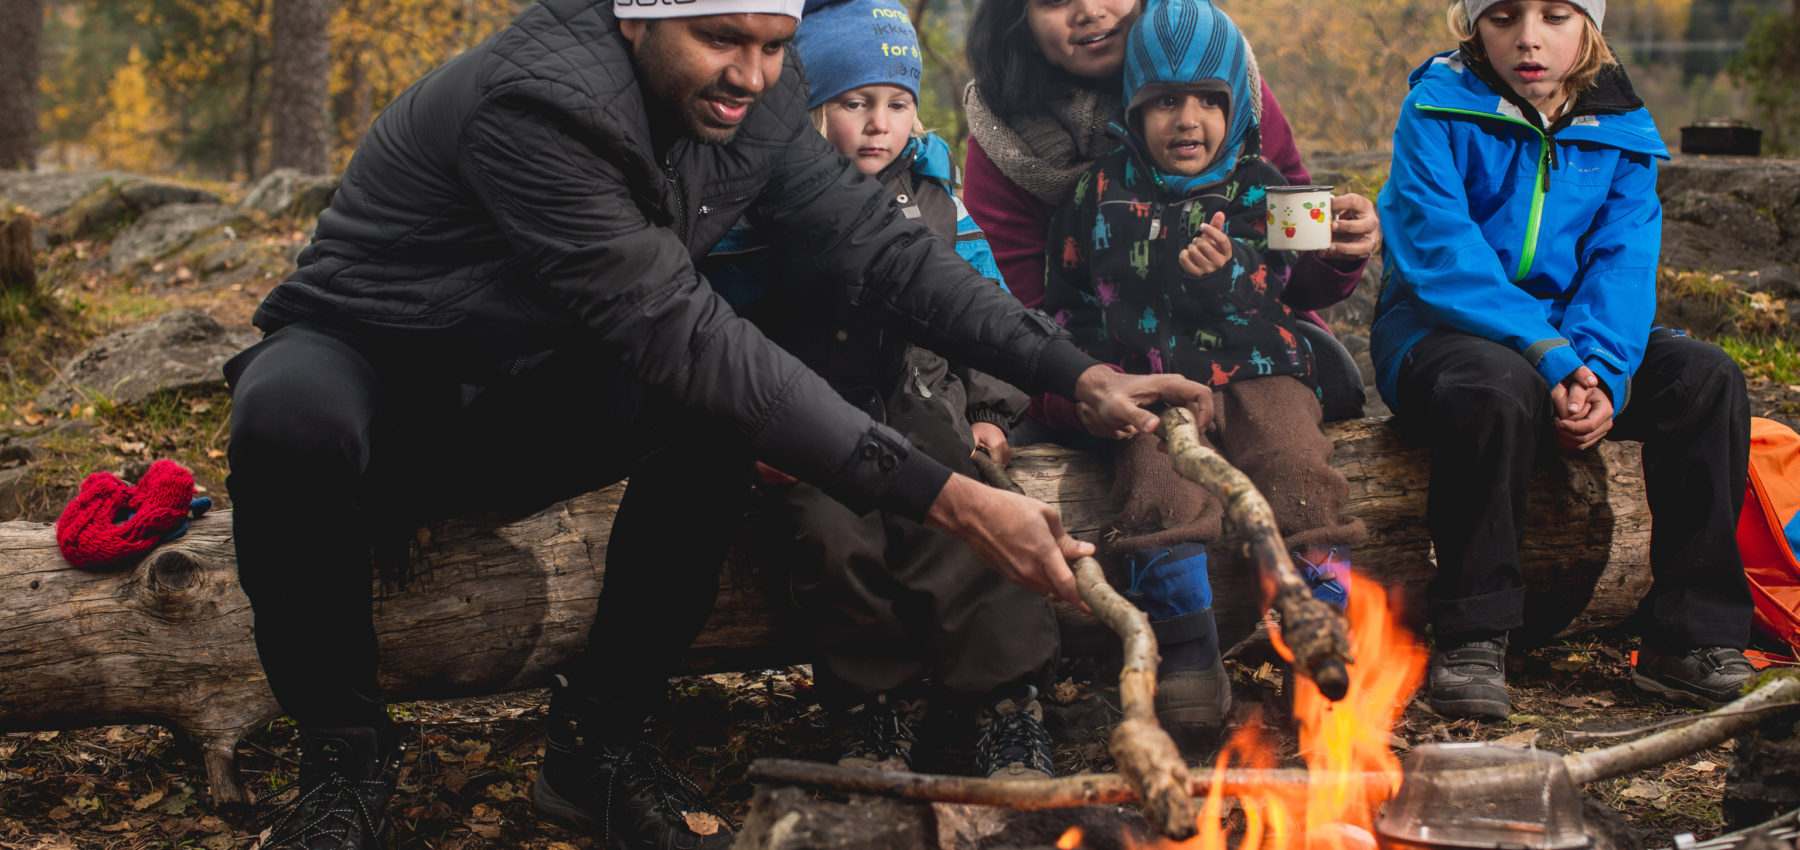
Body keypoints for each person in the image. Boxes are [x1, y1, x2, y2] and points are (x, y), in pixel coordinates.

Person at [222, 1, 1213, 848]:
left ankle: (597, 746)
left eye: (777, 44)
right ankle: (345, 754)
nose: (751, 73)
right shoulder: (542, 104)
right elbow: (685, 335)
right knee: (287, 413)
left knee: (708, 412)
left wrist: (1075, 374)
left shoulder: (758, 103)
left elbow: (886, 251)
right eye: (719, 40)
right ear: (638, 15)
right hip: (384, 380)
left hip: (530, 391)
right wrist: (949, 499)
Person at [703, 0, 1059, 780]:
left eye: (897, 104)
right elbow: (725, 328)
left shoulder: (939, 200)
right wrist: (753, 435)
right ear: (809, 111)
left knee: (976, 534)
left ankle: (1006, 706)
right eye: (854, 103)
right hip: (815, 428)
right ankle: (875, 715)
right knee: (833, 544)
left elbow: (986, 306)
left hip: (932, 414)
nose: (878, 123)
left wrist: (995, 410)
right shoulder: (767, 205)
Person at [1373, 0, 1756, 720]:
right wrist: (1549, 355)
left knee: (1708, 378)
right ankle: (1473, 633)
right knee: (1496, 382)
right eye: (1503, 16)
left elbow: (1622, 265)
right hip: (1438, 331)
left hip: (1571, 342)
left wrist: (1604, 373)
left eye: (1556, 14)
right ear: (1473, 25)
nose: (1529, 38)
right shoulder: (1436, 108)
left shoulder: (1622, 131)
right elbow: (1441, 255)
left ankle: (1689, 637)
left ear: (1589, 26)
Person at [1040, 0, 1365, 748]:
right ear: (1134, 108)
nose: (1186, 120)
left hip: (1262, 368)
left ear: (1235, 106)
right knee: (1153, 484)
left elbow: (1295, 282)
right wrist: (1089, 379)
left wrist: (1321, 252)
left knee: (1296, 464)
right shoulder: (1092, 196)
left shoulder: (1262, 186)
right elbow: (1066, 307)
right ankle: (1186, 651)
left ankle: (1318, 631)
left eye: (1207, 102)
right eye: (1163, 101)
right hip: (1153, 380)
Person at [961, 0, 1382, 425]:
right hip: (1105, 384)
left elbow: (1292, 263)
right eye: (1054, 0)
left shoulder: (1226, 81)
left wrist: (1337, 253)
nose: (1089, 10)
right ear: (1015, 19)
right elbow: (1016, 323)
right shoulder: (1004, 144)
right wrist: (1085, 397)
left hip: (1257, 357)